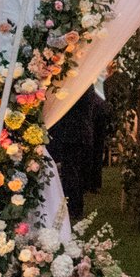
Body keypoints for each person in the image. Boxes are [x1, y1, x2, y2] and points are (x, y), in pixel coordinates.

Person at [50, 83, 107, 222]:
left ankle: (73, 208)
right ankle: (76, 207)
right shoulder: (88, 87)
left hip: (72, 134)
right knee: (76, 173)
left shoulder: (76, 89)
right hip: (82, 133)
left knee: (72, 173)